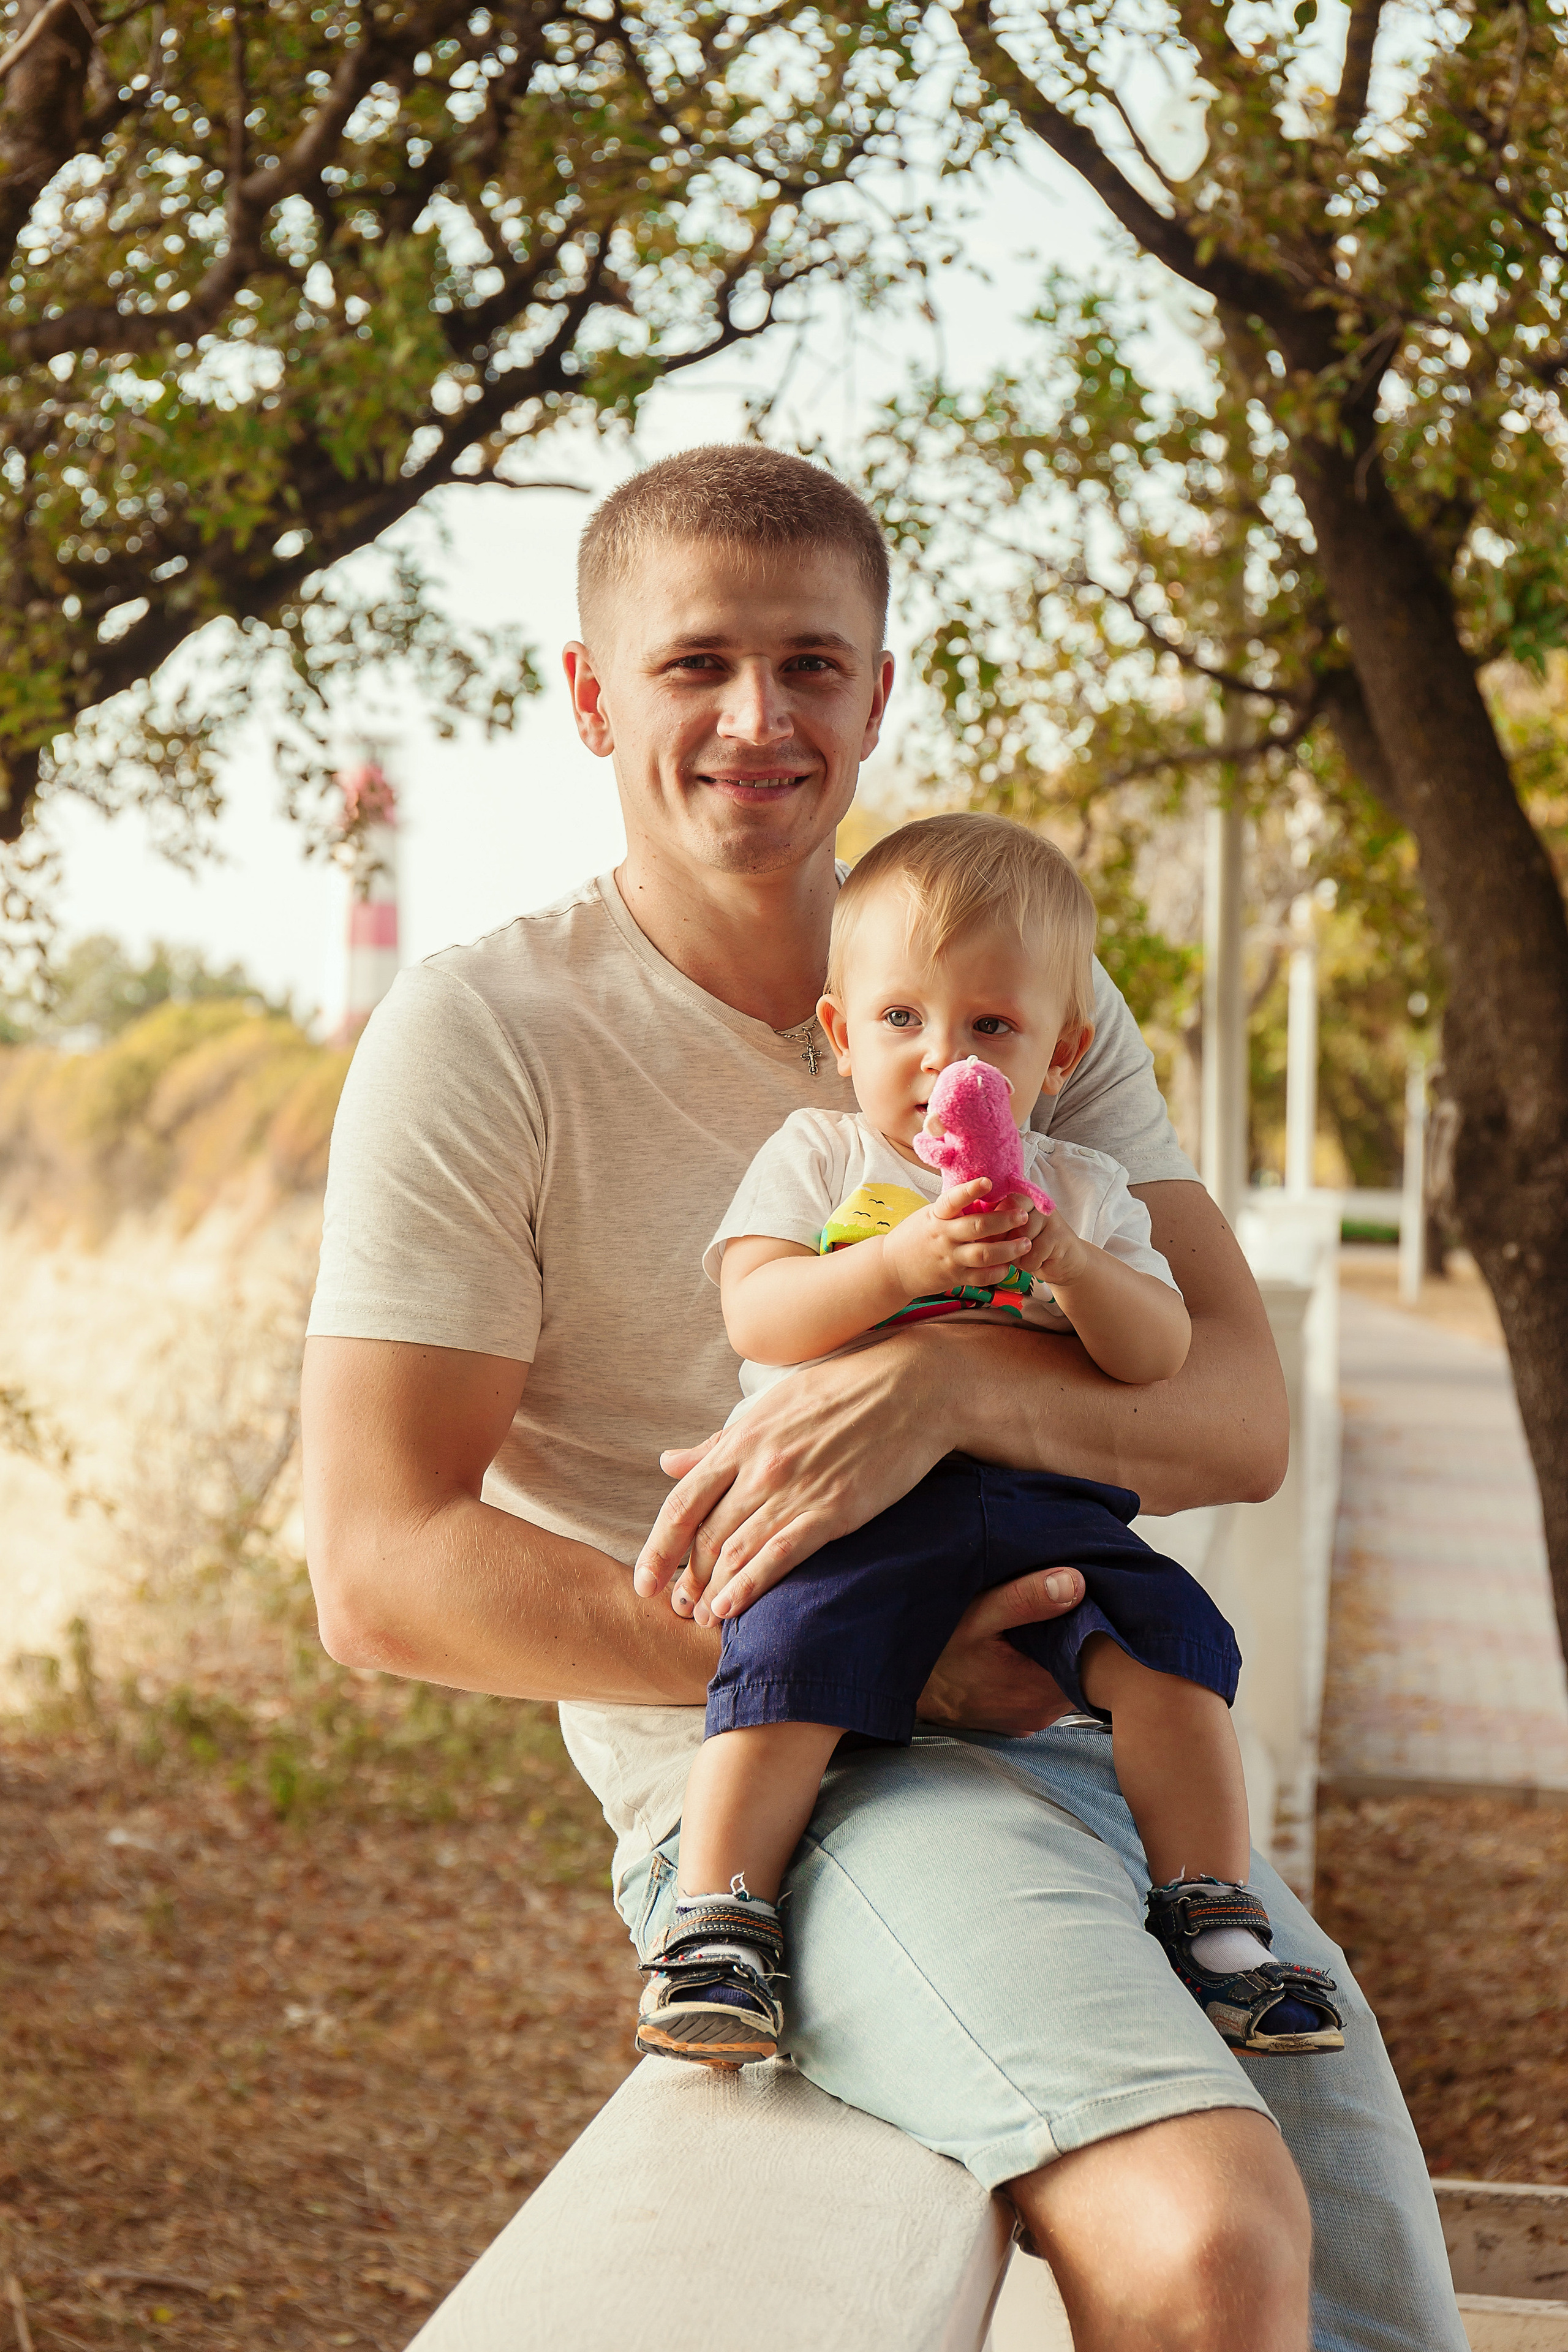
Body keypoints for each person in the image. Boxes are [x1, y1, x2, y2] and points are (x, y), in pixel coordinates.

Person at [301, 443, 1466, 2351]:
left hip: (1110, 1726)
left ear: (878, 690)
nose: (758, 720)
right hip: (794, 1774)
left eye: (812, 666)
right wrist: (878, 1663)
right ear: (590, 696)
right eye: (694, 667)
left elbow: (1236, 1421)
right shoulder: (486, 1035)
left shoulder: (1007, 993)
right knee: (1209, 2240)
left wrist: (935, 1388)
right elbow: (380, 1568)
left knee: (1369, 2291)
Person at [631, 812, 1344, 2070]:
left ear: (1058, 1053)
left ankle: (1209, 1908)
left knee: (1169, 1654)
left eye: (989, 1029)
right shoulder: (818, 1157)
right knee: (782, 1664)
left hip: (1043, 1512)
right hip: (850, 1513)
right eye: (900, 1020)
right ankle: (719, 1919)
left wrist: (1066, 1258)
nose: (938, 1057)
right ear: (841, 1032)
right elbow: (760, 1311)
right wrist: (901, 1261)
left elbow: (1158, 1352)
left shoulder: (1077, 1190)